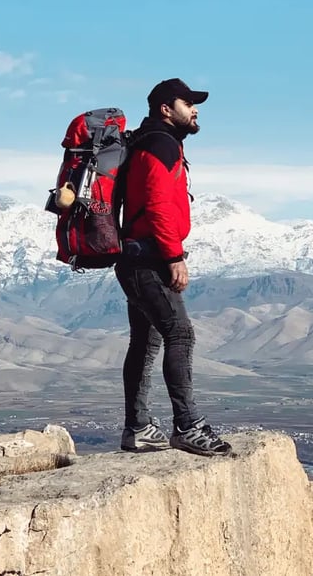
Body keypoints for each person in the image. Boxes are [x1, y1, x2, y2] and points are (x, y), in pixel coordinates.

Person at [115, 78, 232, 457]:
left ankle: (138, 428)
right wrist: (173, 256)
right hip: (149, 258)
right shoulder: (162, 145)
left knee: (145, 343)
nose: (195, 109)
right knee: (180, 335)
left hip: (132, 256)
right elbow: (159, 204)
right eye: (188, 103)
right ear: (166, 109)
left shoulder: (147, 142)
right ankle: (188, 426)